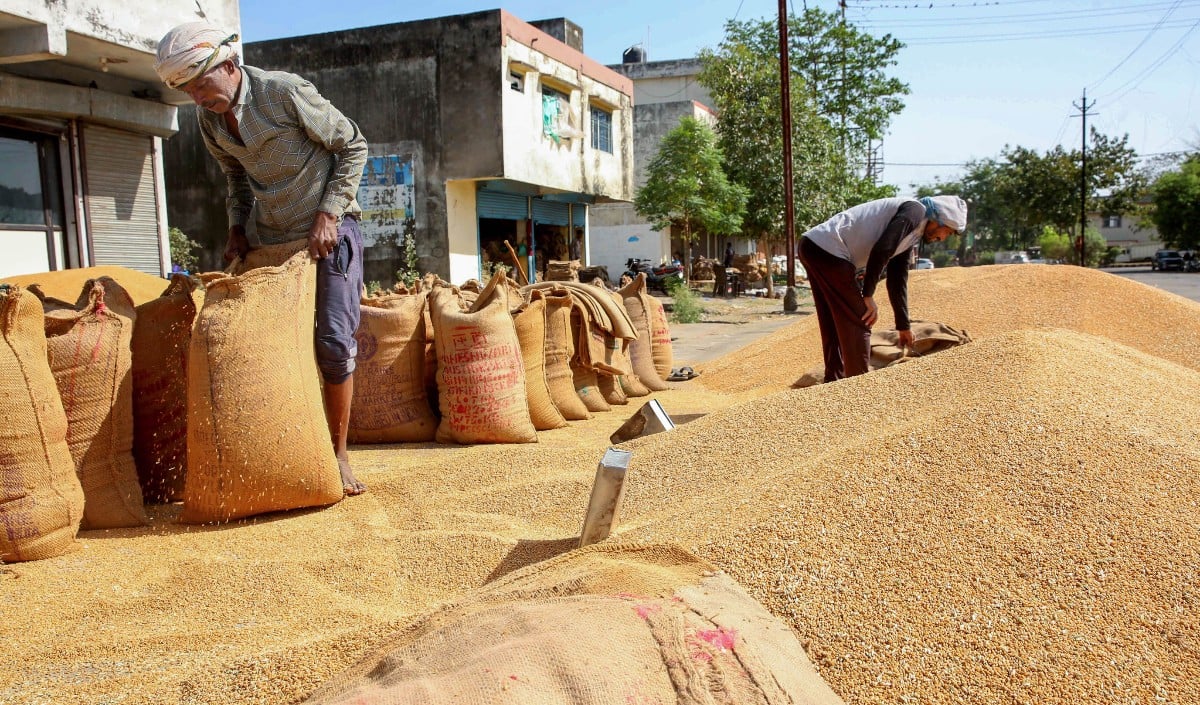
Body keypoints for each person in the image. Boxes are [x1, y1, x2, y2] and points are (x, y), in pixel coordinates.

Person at [155, 23, 369, 495]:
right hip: (273, 242)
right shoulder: (210, 120)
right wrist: (236, 227)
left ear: (229, 66)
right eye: (188, 92)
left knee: (332, 342)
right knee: (276, 350)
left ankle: (339, 453)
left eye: (201, 87)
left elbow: (353, 144)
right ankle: (291, 445)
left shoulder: (283, 93)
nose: (198, 100)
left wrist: (329, 213)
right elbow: (234, 177)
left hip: (328, 233)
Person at [798, 195, 967, 383]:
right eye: (948, 232)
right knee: (860, 318)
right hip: (828, 250)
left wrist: (903, 326)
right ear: (939, 219)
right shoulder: (914, 211)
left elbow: (897, 279)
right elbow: (883, 249)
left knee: (832, 320)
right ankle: (859, 386)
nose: (942, 238)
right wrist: (868, 295)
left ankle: (833, 381)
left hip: (813, 246)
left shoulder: (912, 234)